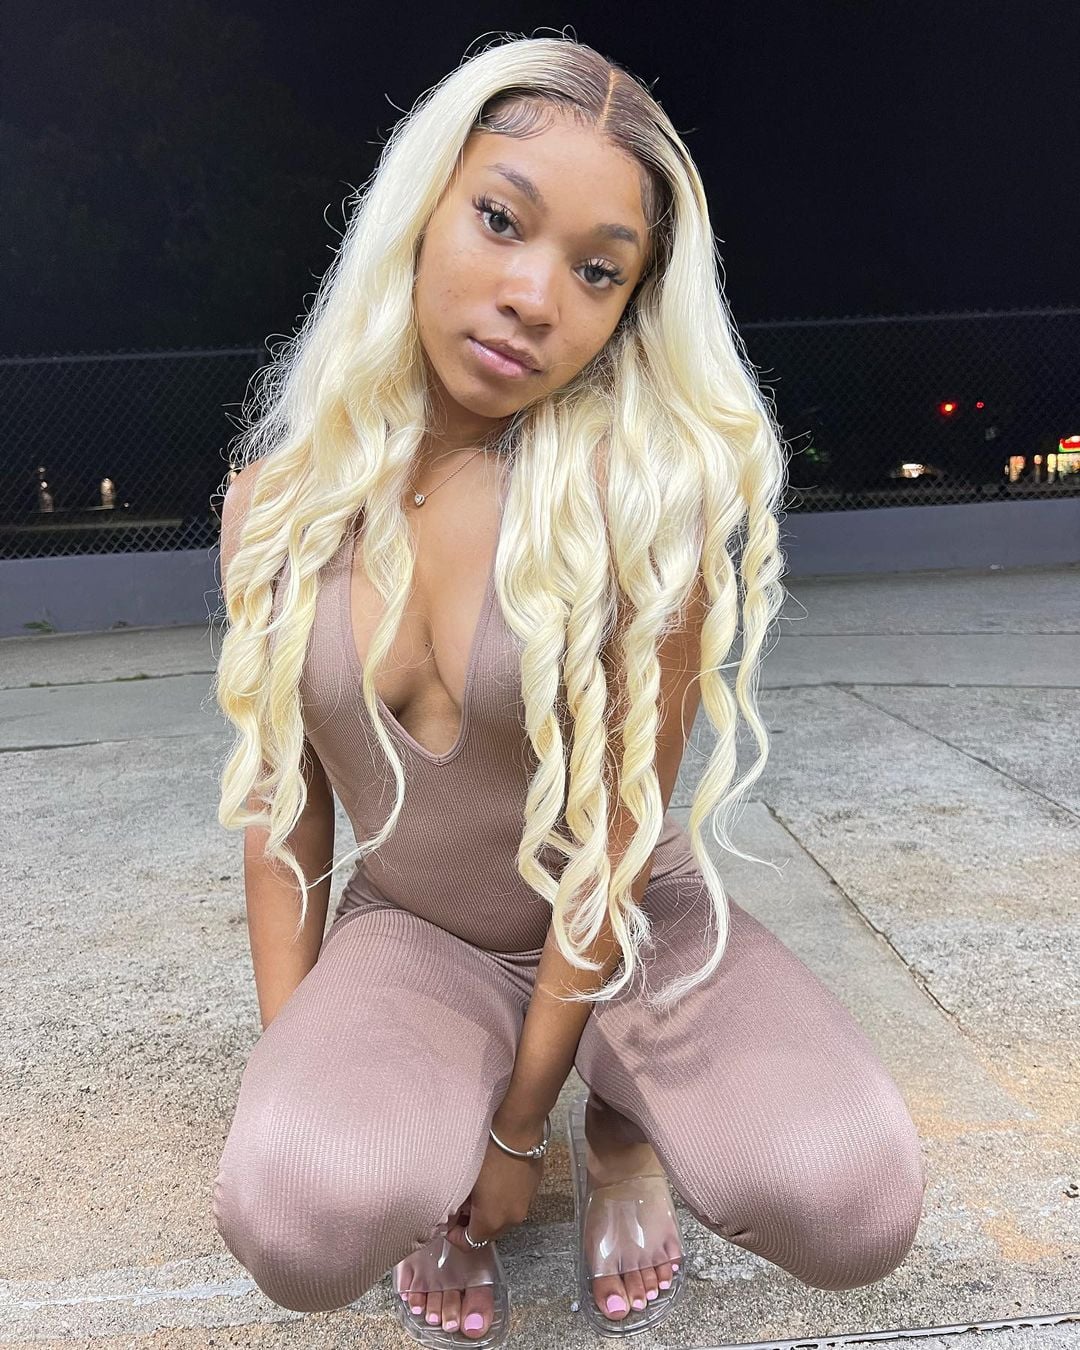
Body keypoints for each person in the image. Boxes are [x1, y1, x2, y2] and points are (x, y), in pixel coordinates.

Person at [210, 33, 927, 1348]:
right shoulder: (275, 508)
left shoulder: (638, 512)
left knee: (852, 1197)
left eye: (598, 269)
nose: (536, 296)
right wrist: (306, 1064)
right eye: (502, 219)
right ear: (422, 206)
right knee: (298, 1212)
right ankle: (451, 1102)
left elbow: (613, 844)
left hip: (627, 921)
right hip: (421, 930)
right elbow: (281, 815)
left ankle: (620, 1122)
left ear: (628, 307)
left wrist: (514, 1133)